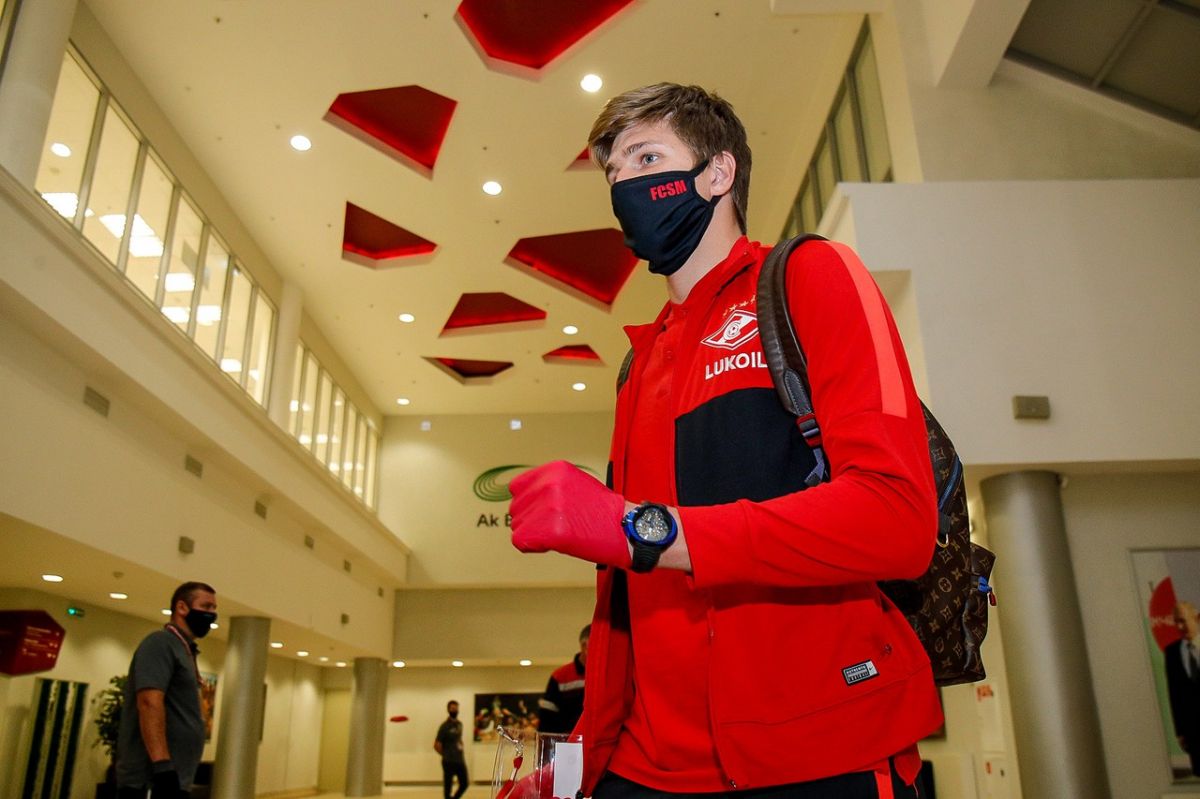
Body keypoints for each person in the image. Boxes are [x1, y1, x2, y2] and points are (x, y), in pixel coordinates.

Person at [508, 83, 942, 798]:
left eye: (647, 157)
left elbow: (896, 518)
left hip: (814, 755)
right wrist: (576, 766)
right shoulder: (638, 362)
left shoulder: (809, 275)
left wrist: (643, 530)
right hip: (642, 770)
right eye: (614, 171)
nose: (624, 183)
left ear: (717, 173)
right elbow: (624, 605)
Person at [117, 581, 218, 798]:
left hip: (176, 776)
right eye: (206, 606)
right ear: (182, 607)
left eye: (214, 608)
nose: (211, 614)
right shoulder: (160, 643)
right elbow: (149, 703)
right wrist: (162, 766)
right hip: (152, 778)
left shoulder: (185, 650)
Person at [1166, 600, 1200, 776]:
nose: (1179, 627)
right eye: (1176, 622)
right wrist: (1180, 731)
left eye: (1183, 621)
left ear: (1197, 619)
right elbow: (1174, 694)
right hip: (1194, 733)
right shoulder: (1172, 652)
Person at [537, 624, 590, 734]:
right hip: (568, 742)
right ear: (584, 646)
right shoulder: (560, 677)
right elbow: (546, 722)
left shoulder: (612, 674)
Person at [434, 699, 469, 799]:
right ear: (448, 710)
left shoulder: (459, 724)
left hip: (460, 760)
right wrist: (445, 754)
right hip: (448, 761)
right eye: (453, 709)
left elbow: (458, 738)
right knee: (448, 788)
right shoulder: (444, 726)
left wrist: (460, 744)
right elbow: (436, 744)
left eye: (456, 709)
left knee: (464, 783)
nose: (455, 711)